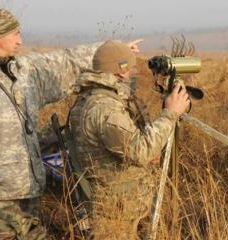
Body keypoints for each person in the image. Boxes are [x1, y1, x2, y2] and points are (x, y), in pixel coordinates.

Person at [0, 6, 140, 229]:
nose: (20, 41)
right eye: (15, 34)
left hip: (29, 194)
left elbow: (65, 61)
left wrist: (114, 52)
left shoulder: (24, 72)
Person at [67, 40, 191, 239]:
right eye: (132, 68)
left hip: (113, 206)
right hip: (114, 214)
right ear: (121, 71)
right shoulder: (105, 108)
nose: (134, 73)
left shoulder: (91, 98)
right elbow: (141, 150)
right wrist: (170, 113)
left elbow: (119, 148)